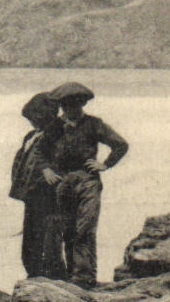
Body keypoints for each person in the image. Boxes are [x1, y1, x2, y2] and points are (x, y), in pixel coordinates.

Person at [43, 82, 128, 289]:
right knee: (68, 229)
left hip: (88, 182)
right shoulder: (55, 126)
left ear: (82, 104)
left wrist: (105, 164)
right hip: (63, 182)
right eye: (66, 105)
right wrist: (46, 169)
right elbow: (40, 151)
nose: (70, 110)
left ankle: (85, 276)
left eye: (75, 105)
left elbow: (120, 144)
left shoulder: (94, 124)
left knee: (85, 228)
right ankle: (74, 276)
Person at [9, 92, 66, 279]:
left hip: (49, 195)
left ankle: (51, 277)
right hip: (30, 195)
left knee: (49, 240)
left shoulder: (59, 135)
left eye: (35, 118)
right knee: (31, 240)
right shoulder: (31, 136)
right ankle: (33, 274)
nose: (32, 123)